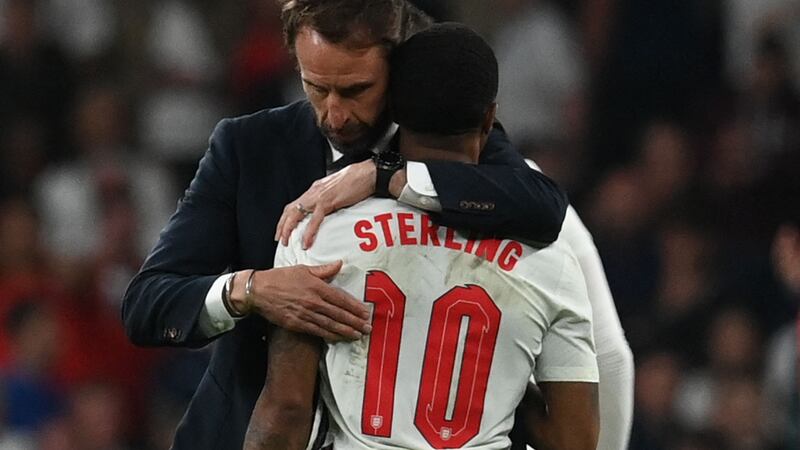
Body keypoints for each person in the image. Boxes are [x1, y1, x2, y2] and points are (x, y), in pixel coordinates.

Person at [120, 1, 569, 449]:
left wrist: (385, 176)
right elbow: (148, 303)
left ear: (396, 70)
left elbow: (543, 205)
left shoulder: (447, 135)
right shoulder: (247, 147)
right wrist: (252, 291)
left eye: (356, 90)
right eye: (315, 87)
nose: (334, 114)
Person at [245, 23, 600, 450]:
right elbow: (574, 440)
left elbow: (287, 409)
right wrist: (497, 375)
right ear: (490, 118)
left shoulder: (317, 231)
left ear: (392, 108)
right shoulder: (551, 257)